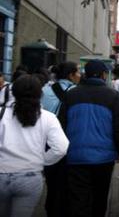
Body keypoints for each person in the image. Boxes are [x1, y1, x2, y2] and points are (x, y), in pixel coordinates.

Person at [60, 60, 119, 217]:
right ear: (104, 75)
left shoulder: (71, 95)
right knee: (100, 198)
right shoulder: (113, 96)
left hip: (75, 157)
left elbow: (61, 126)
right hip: (103, 159)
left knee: (78, 200)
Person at [0, 75, 69, 217]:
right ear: (40, 93)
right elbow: (61, 147)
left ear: (13, 92)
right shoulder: (48, 117)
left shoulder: (1, 113)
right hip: (30, 176)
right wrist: (42, 161)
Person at [41, 61, 81, 217]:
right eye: (77, 72)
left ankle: (51, 209)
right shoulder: (76, 92)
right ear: (71, 74)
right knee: (66, 181)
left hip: (46, 142)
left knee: (51, 181)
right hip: (67, 141)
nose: (79, 75)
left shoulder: (45, 89)